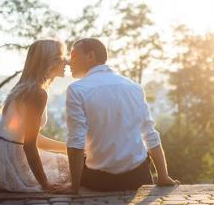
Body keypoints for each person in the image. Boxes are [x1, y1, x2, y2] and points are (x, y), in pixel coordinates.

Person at [62, 37, 178, 192]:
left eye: (74, 55)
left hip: (99, 181)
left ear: (90, 56)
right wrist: (162, 176)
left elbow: (76, 139)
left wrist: (74, 186)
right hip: (138, 177)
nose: (69, 62)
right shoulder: (134, 87)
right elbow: (149, 133)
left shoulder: (77, 89)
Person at [0, 39, 71, 192]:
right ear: (50, 62)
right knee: (72, 169)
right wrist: (45, 184)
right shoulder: (37, 93)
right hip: (7, 164)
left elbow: (29, 138)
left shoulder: (24, 87)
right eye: (62, 58)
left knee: (67, 160)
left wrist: (66, 148)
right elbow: (29, 146)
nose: (67, 62)